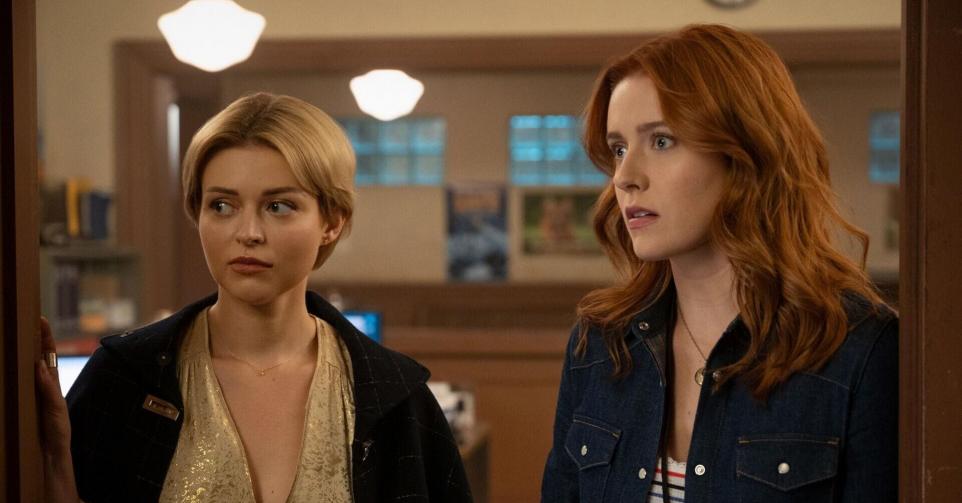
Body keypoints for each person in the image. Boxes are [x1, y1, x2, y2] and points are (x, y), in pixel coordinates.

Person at [36, 93, 472, 503]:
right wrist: (55, 469)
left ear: (332, 222)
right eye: (222, 206)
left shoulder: (395, 399)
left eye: (278, 206)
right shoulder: (126, 378)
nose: (248, 233)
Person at [540, 24, 897, 502]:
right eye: (619, 149)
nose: (625, 176)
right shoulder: (600, 344)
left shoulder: (859, 349)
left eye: (661, 141)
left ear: (746, 151)